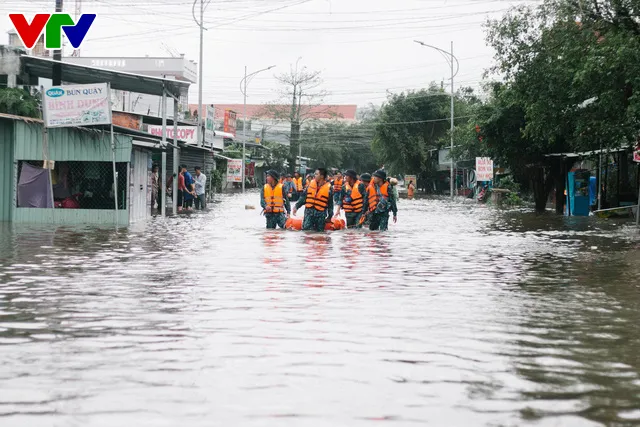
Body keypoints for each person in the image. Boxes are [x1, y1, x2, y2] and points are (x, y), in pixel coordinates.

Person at [293, 168, 334, 232]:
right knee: (306, 232)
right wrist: (296, 207)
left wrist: (330, 216)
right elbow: (303, 197)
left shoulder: (329, 188)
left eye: (316, 174)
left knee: (319, 234)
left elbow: (330, 204)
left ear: (322, 176)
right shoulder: (310, 185)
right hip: (309, 213)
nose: (314, 175)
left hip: (320, 215)